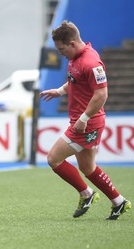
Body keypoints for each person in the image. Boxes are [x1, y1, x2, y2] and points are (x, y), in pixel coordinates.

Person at [39, 21, 131, 220]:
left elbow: (101, 94)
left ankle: (86, 193)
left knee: (53, 159)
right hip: (86, 121)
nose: (60, 53)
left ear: (72, 43)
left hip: (87, 123)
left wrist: (84, 118)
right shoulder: (77, 58)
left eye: (62, 49)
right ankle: (119, 202)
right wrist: (59, 91)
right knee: (88, 168)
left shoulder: (90, 61)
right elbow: (75, 79)